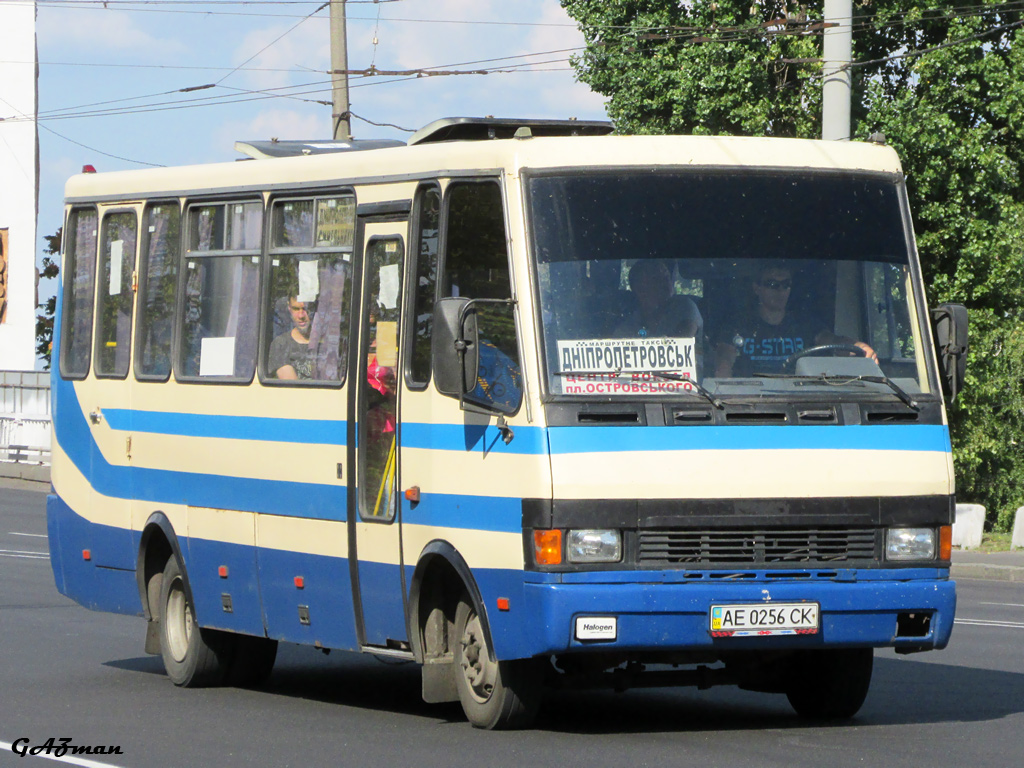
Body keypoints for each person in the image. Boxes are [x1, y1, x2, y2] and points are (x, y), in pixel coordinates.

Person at [715, 263, 876, 377]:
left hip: (799, 401)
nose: (780, 290)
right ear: (757, 288)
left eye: (786, 284)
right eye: (772, 284)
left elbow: (831, 340)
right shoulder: (737, 325)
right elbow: (724, 359)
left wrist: (856, 347)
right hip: (751, 401)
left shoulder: (805, 323)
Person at [614, 260, 703, 339]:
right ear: (640, 290)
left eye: (666, 277)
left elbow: (680, 344)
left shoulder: (684, 307)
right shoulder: (626, 330)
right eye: (656, 279)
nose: (666, 283)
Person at [269, 296, 316, 379]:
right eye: (296, 309)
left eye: (305, 309)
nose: (301, 315)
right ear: (289, 308)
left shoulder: (329, 343)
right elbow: (293, 388)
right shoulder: (281, 344)